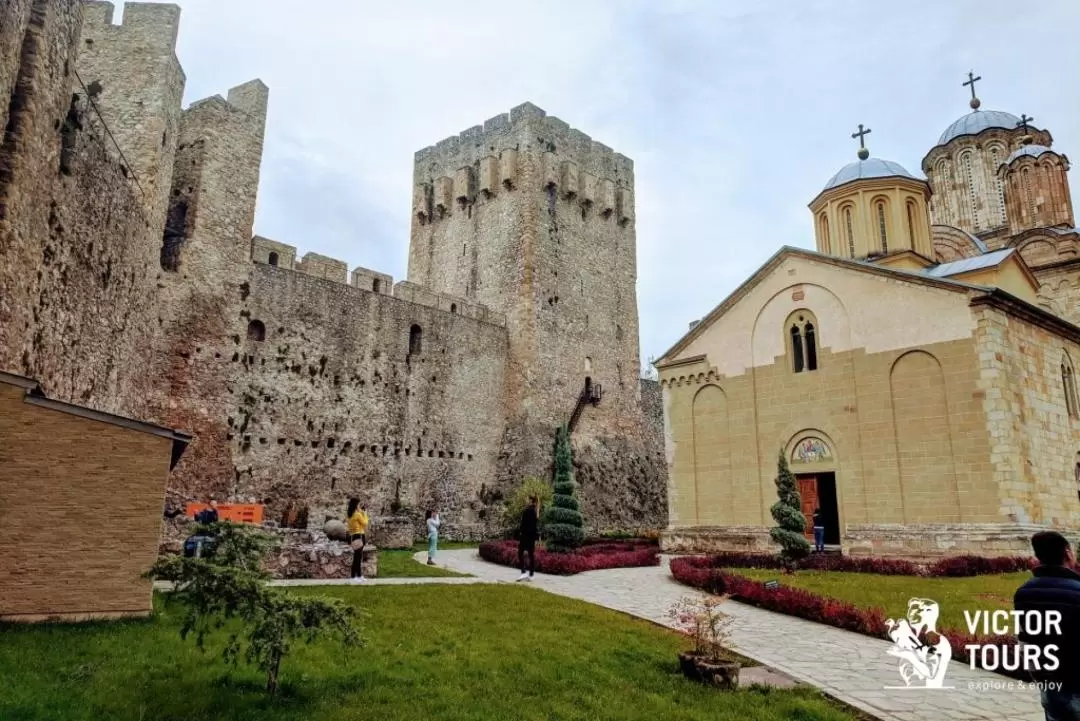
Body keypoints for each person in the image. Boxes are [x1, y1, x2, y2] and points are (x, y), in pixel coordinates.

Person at [1014, 531, 1080, 720]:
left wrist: (1039, 677)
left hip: (1050, 684)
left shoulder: (1023, 592)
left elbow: (1026, 640)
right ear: (1068, 553)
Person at [346, 498, 369, 583]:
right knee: (357, 558)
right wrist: (365, 514)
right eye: (359, 504)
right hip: (359, 536)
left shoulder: (350, 514)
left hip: (353, 536)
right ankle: (353, 577)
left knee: (358, 557)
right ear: (356, 505)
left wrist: (361, 512)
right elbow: (365, 523)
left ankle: (359, 575)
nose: (359, 506)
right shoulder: (357, 514)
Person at [517, 495, 539, 582]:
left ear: (531, 501)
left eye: (527, 499)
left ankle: (524, 572)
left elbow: (524, 525)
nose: (526, 501)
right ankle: (531, 574)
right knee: (530, 555)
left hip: (526, 536)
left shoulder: (528, 511)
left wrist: (521, 531)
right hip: (531, 536)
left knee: (520, 553)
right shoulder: (534, 511)